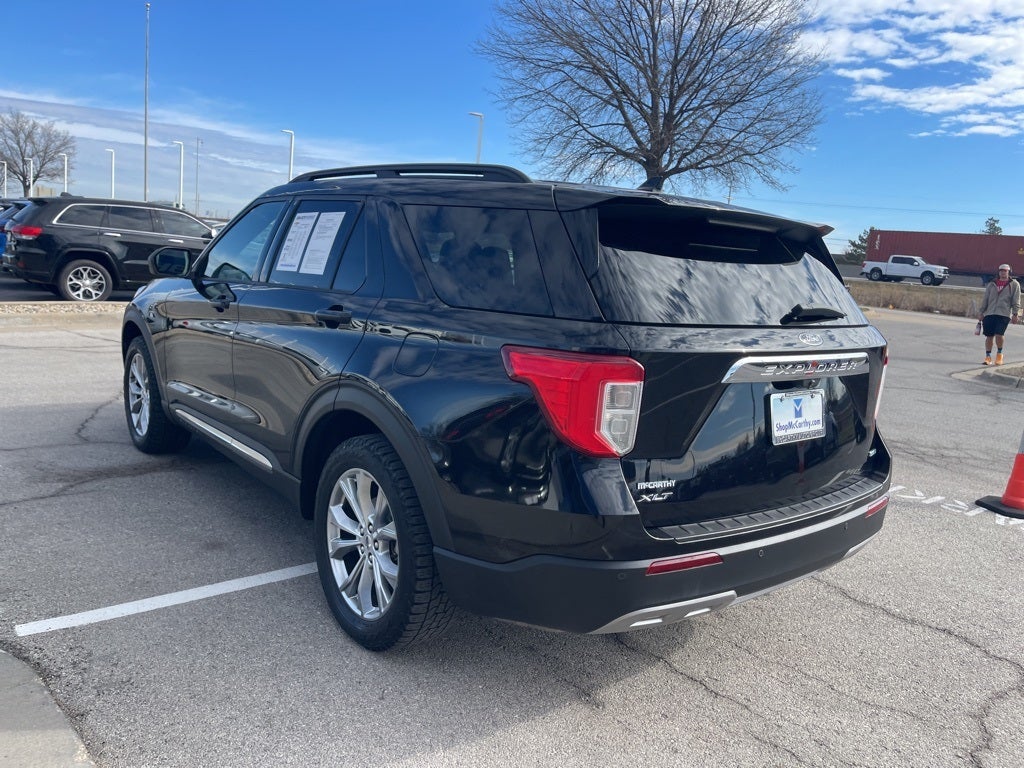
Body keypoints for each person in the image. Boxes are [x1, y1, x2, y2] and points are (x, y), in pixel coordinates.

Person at [979, 263, 1021, 365]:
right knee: (989, 336)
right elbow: (986, 299)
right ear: (999, 272)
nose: (1003, 272)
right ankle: (988, 357)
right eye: (1001, 270)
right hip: (990, 313)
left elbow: (1016, 300)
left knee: (999, 334)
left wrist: (1015, 314)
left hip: (1004, 314)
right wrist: (981, 312)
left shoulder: (1014, 284)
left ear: (1009, 272)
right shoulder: (992, 283)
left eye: (1005, 271)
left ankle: (999, 354)